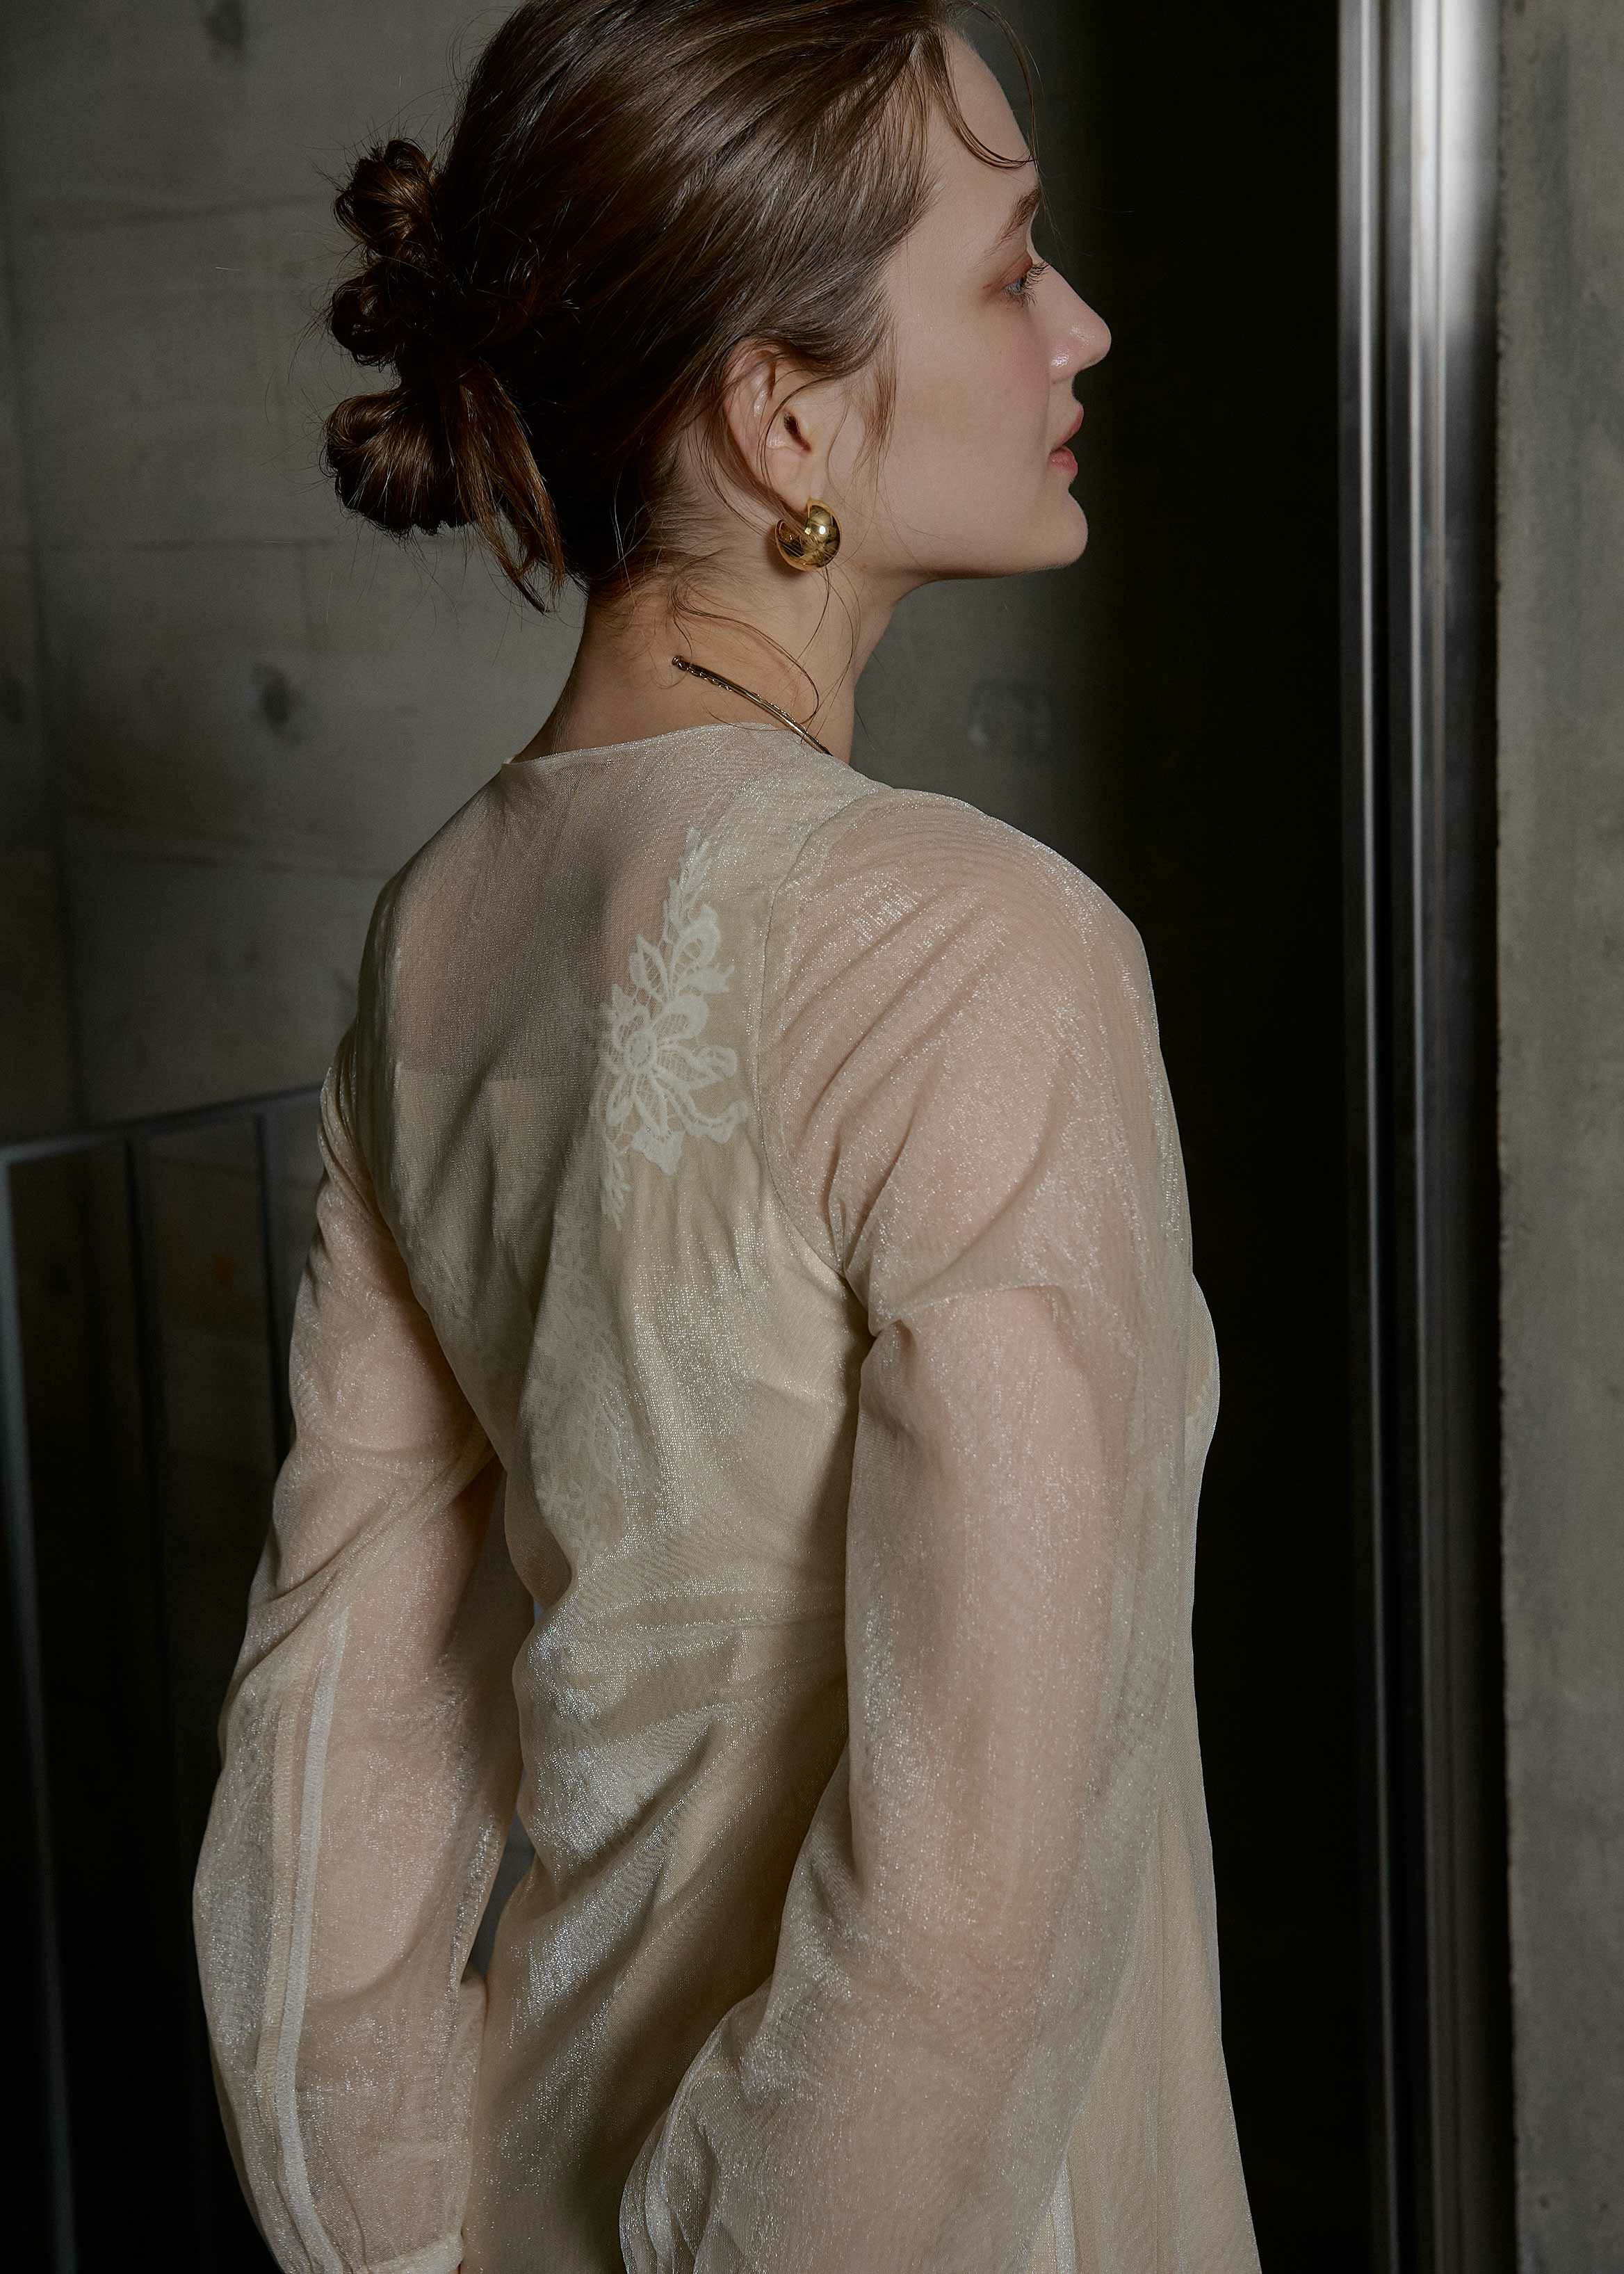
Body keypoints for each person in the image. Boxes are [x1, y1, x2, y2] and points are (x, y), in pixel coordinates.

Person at [191, 1, 1261, 2269]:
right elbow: (972, 1904)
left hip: (545, 2185)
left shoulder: (436, 926)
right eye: (1010, 267)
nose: (1082, 323)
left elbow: (331, 1741)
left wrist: (400, 2240)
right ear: (784, 414)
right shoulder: (979, 953)